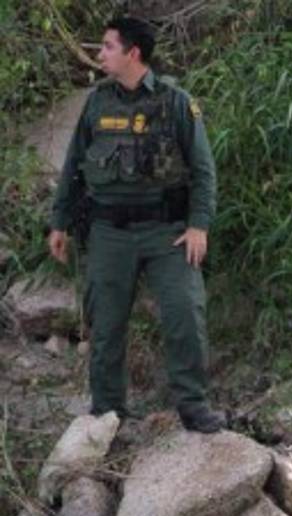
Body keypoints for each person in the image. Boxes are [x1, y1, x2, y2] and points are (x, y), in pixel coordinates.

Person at [48, 16, 225, 433]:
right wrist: (60, 222)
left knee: (184, 313)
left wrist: (199, 224)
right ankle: (109, 412)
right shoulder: (96, 103)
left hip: (168, 232)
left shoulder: (176, 101)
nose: (100, 54)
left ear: (133, 53)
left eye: (108, 46)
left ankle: (194, 406)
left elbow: (203, 170)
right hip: (108, 233)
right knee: (105, 325)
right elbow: (73, 166)